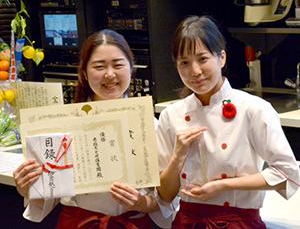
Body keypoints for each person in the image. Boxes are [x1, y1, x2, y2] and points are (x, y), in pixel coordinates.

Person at [13, 29, 178, 229]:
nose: (110, 74)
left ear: (131, 68)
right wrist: (26, 186)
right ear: (84, 73)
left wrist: (141, 203)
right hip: (79, 224)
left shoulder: (149, 125)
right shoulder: (62, 124)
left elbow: (165, 201)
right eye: (99, 66)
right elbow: (47, 196)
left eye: (118, 65)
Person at [156, 15, 300, 228]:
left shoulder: (253, 109)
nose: (195, 71)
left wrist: (224, 186)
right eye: (184, 63)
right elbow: (165, 196)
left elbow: (288, 174)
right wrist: (177, 157)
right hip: (186, 223)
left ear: (221, 58)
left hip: (238, 223)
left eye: (203, 59)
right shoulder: (171, 115)